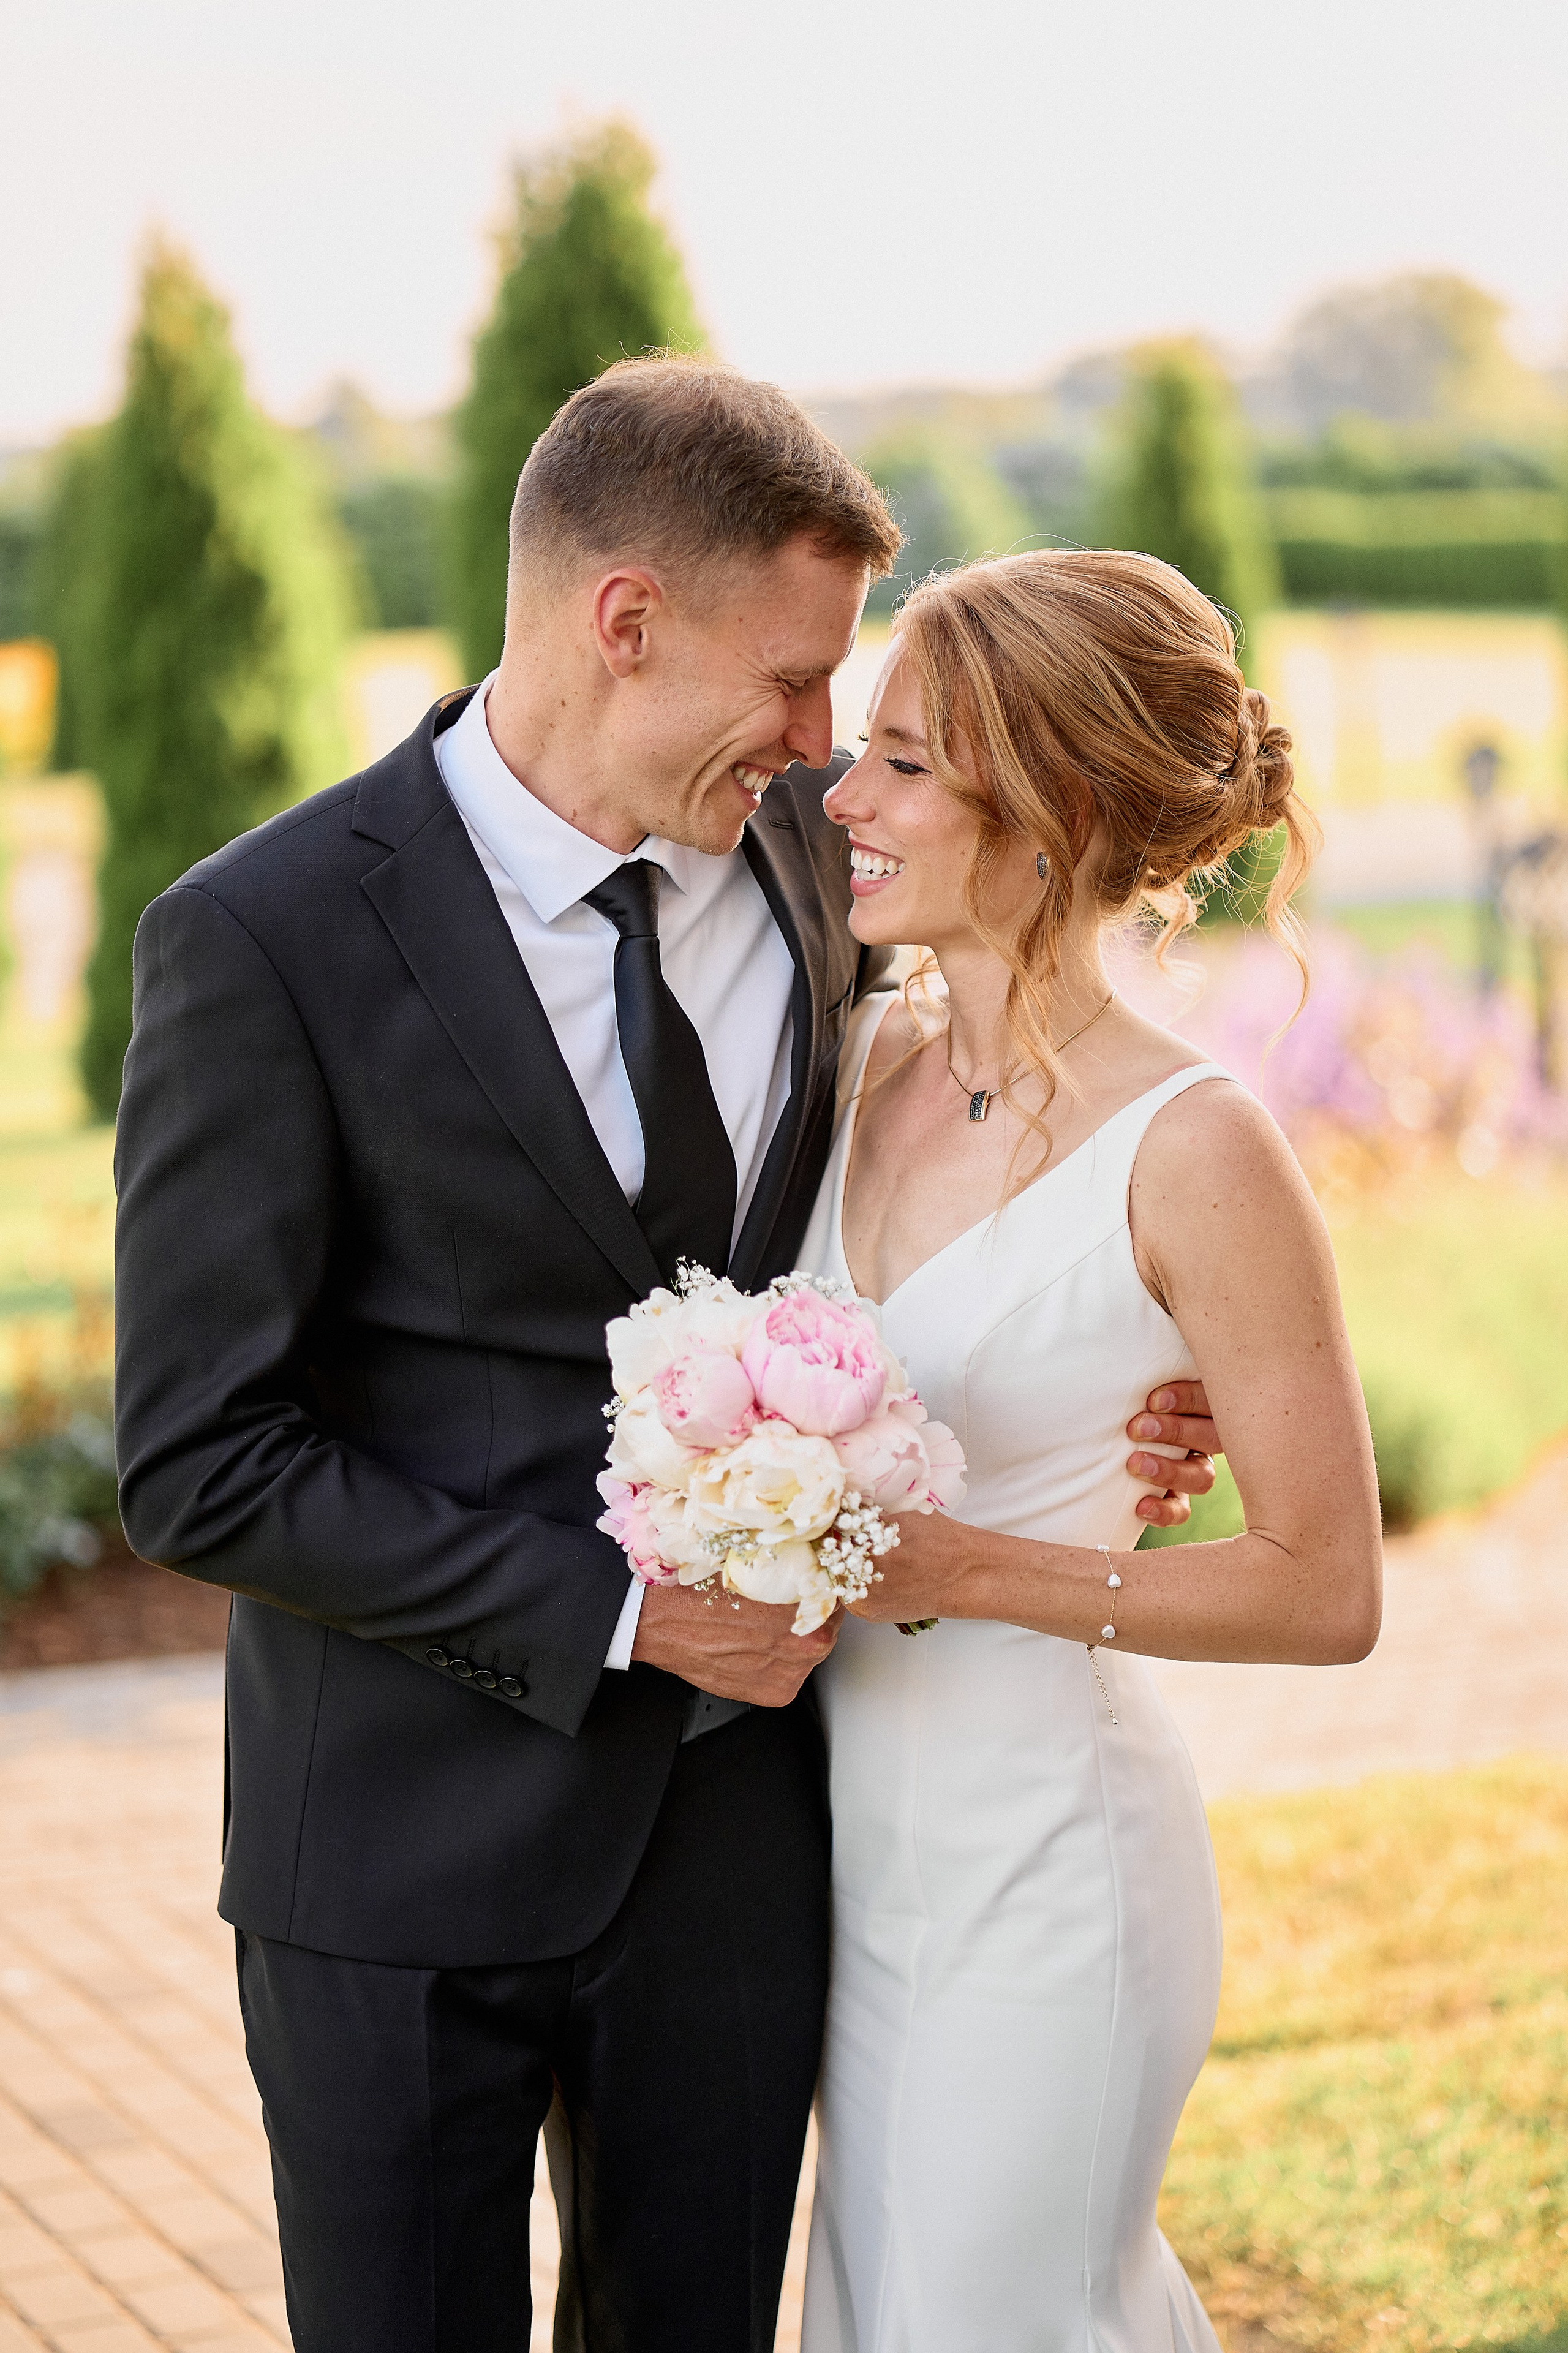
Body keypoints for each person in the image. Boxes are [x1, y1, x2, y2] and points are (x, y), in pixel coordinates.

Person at [113, 362, 1224, 2352]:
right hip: (391, 1865)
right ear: (624, 622)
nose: (824, 742)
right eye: (795, 682)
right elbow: (205, 1455)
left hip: (737, 1852)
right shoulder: (263, 937)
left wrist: (1144, 1348)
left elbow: (1027, 1098)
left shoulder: (821, 852)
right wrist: (623, 1612)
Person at [797, 549, 1384, 2353]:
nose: (846, 795)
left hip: (1049, 1869)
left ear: (1044, 814)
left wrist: (975, 1570)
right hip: (840, 1870)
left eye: (902, 761)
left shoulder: (1196, 1146)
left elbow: (1327, 1586)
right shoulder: (855, 1059)